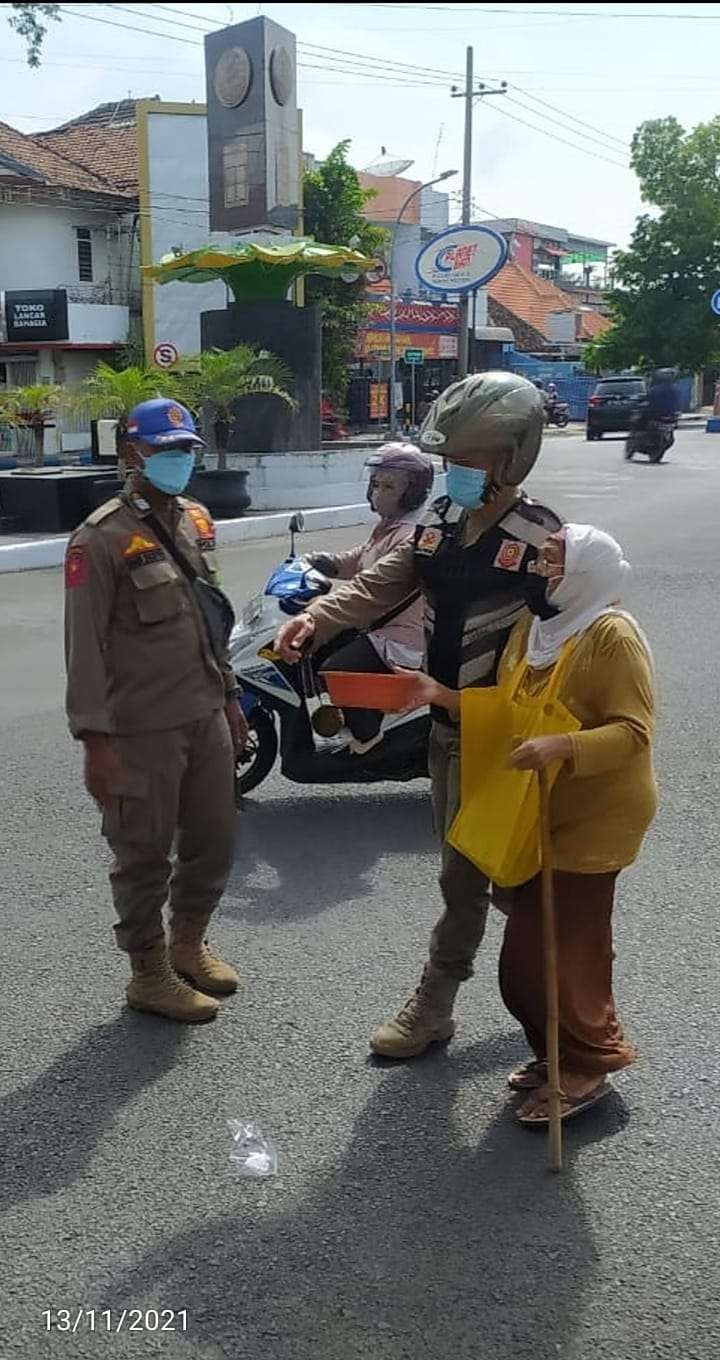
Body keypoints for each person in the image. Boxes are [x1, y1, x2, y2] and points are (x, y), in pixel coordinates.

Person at [275, 371, 562, 1058]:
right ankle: (541, 993)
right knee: (473, 877)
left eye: (470, 458)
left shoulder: (541, 536)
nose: (455, 471)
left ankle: (498, 1004)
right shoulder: (436, 523)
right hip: (443, 731)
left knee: (497, 880)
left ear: (512, 456)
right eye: (449, 459)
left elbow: (576, 637)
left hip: (509, 737)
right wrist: (312, 619)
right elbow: (377, 586)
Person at [406, 523, 657, 1123]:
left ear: (586, 574)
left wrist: (564, 747)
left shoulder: (612, 636)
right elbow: (512, 707)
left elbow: (633, 731)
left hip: (593, 817)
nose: (540, 574)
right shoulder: (534, 628)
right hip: (535, 809)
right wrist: (442, 696)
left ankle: (589, 1062)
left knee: (559, 953)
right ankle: (556, 1052)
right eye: (541, 563)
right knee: (532, 959)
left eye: (553, 564)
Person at [64, 397, 247, 1025]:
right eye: (165, 451)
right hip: (141, 728)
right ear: (130, 454)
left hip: (203, 713)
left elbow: (205, 621)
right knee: (142, 853)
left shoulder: (189, 522)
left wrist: (228, 698)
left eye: (186, 451)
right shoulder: (100, 538)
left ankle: (188, 944)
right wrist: (95, 742)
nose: (178, 461)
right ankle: (148, 973)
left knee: (214, 842)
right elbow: (84, 648)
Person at [307, 443, 434, 753]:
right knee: (318, 653)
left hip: (401, 639)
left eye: (388, 486)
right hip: (377, 627)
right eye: (375, 484)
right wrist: (324, 562)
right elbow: (362, 558)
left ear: (413, 492)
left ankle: (368, 740)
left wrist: (319, 611)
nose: (378, 492)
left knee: (336, 668)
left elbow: (370, 584)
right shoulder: (390, 525)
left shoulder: (410, 533)